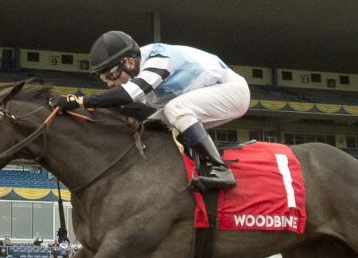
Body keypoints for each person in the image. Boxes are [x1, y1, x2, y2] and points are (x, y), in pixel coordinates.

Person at [49, 31, 250, 192]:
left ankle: (221, 170)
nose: (110, 83)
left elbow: (126, 95)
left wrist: (78, 101)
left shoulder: (159, 58)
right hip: (208, 93)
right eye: (105, 79)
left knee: (175, 109)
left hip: (232, 91)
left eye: (112, 74)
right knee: (149, 127)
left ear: (129, 62)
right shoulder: (136, 68)